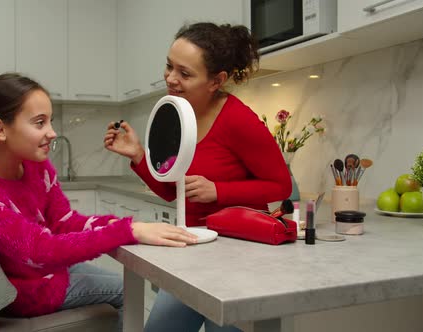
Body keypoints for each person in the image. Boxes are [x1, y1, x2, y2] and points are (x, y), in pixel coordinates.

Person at [0, 73, 198, 331]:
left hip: (48, 273)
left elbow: (63, 222)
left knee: (122, 283)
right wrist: (127, 231)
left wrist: (120, 225)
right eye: (39, 123)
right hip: (27, 291)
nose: (52, 133)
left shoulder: (37, 167)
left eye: (50, 121)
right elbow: (39, 250)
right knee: (127, 292)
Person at [104, 22, 291, 332]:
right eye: (169, 66)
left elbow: (280, 186)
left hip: (234, 257)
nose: (170, 78)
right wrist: (138, 155)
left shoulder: (238, 120)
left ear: (216, 81)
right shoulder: (176, 113)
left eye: (185, 73)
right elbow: (171, 191)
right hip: (192, 249)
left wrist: (218, 191)